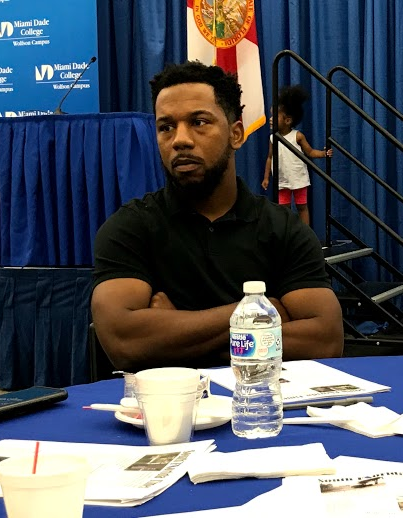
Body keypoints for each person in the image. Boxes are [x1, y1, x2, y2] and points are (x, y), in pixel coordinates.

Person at [92, 62, 343, 371]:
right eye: (165, 127)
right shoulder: (129, 228)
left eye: (199, 122)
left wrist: (172, 338)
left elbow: (325, 340)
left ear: (236, 134)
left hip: (260, 411)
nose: (180, 139)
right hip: (167, 413)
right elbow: (125, 344)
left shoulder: (284, 229)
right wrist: (259, 314)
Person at [261, 85, 331, 226]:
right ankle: (287, 235)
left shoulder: (297, 136)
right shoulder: (273, 138)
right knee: (283, 209)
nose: (270, 119)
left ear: (288, 120)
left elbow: (310, 152)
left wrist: (324, 153)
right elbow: (270, 157)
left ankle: (306, 235)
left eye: (274, 116)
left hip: (298, 178)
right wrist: (266, 177)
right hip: (282, 180)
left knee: (302, 207)